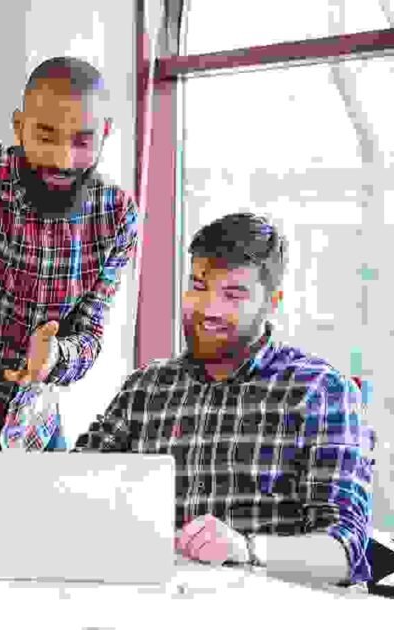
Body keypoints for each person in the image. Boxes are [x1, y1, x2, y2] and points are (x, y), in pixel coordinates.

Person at [73, 212, 374, 588]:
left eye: (233, 294)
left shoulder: (320, 391)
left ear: (272, 302)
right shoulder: (144, 390)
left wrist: (246, 549)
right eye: (199, 286)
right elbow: (70, 491)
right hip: (150, 600)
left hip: (271, 607)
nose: (209, 309)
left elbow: (344, 553)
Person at [0, 56, 140, 521]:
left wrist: (56, 357)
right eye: (45, 136)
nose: (63, 159)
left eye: (82, 141)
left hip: (32, 427)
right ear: (19, 126)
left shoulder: (117, 216)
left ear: (105, 134)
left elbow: (90, 336)